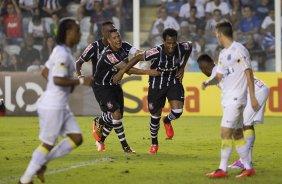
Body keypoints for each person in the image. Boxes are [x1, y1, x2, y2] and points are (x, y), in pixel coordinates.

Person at [19, 18, 92, 184]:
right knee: (48, 143)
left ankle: (41, 164)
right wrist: (80, 81)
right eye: (77, 31)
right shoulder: (61, 53)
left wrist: (63, 87)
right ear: (68, 32)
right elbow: (57, 80)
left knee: (76, 138)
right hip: (53, 106)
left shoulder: (61, 50)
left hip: (60, 105)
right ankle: (25, 180)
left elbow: (45, 72)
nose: (80, 34)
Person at [76, 21, 159, 152]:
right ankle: (124, 146)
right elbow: (129, 70)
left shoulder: (124, 45)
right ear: (108, 39)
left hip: (115, 85)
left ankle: (101, 138)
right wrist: (149, 72)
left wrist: (150, 56)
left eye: (118, 36)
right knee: (115, 113)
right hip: (101, 86)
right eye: (114, 37)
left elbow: (138, 53)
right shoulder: (108, 54)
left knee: (117, 116)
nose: (118, 39)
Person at [113, 28, 192, 154]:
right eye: (168, 43)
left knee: (177, 111)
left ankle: (167, 120)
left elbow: (190, 46)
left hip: (173, 81)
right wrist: (122, 72)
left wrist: (182, 67)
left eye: (173, 43)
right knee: (155, 116)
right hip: (157, 83)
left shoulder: (182, 47)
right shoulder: (156, 51)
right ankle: (154, 143)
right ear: (164, 41)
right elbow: (138, 57)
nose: (171, 46)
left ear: (176, 41)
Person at [202, 21, 257, 178]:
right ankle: (248, 168)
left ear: (220, 34)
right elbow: (219, 76)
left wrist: (252, 97)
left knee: (225, 132)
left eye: (216, 34)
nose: (216, 36)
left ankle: (222, 169)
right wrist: (208, 82)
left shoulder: (239, 50)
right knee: (237, 134)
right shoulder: (223, 53)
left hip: (236, 98)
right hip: (227, 99)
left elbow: (249, 72)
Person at [197, 53, 269, 170]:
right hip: (261, 88)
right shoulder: (222, 67)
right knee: (247, 124)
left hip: (257, 91)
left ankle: (245, 162)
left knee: (245, 124)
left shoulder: (217, 72)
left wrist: (207, 83)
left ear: (205, 66)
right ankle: (246, 161)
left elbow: (221, 83)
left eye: (202, 68)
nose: (202, 71)